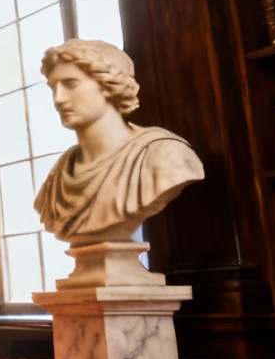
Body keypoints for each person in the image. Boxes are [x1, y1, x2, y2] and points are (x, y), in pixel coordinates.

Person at [31, 39, 205, 245]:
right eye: (53, 88)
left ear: (109, 85)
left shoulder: (163, 155)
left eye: (70, 84)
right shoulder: (61, 171)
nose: (58, 99)